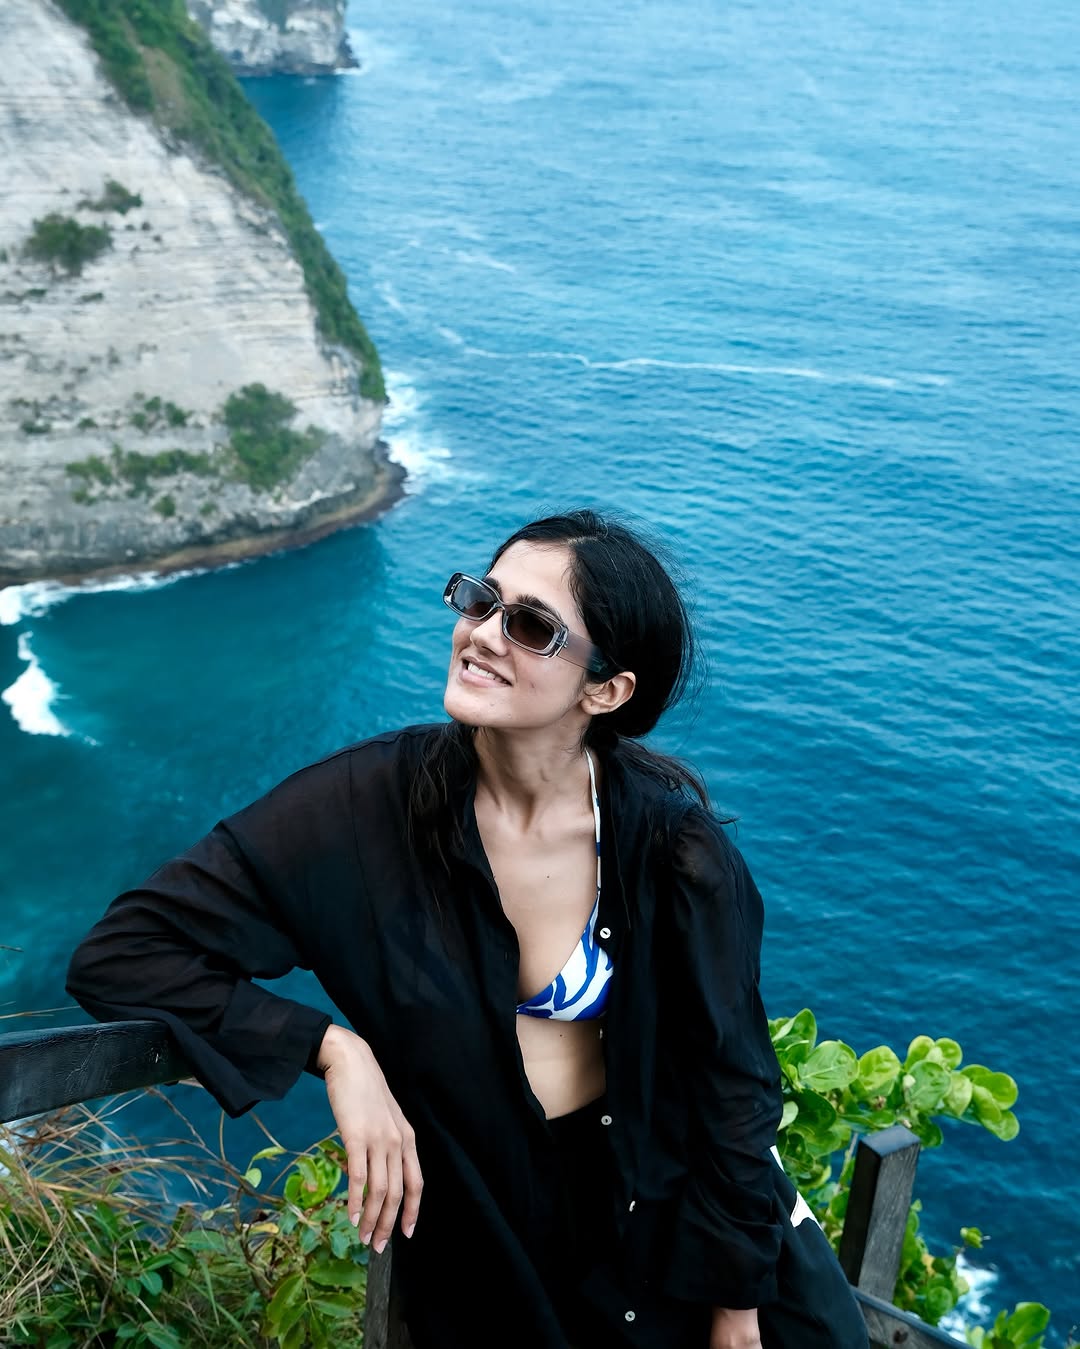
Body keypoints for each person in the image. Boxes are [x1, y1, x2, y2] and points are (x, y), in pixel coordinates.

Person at [67, 510, 868, 1349]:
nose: (482, 634)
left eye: (531, 626)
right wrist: (333, 1049)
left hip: (671, 1247)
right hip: (495, 1257)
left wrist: (736, 1309)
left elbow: (733, 1086)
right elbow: (125, 951)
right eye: (483, 600)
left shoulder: (673, 851)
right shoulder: (364, 809)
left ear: (606, 690)